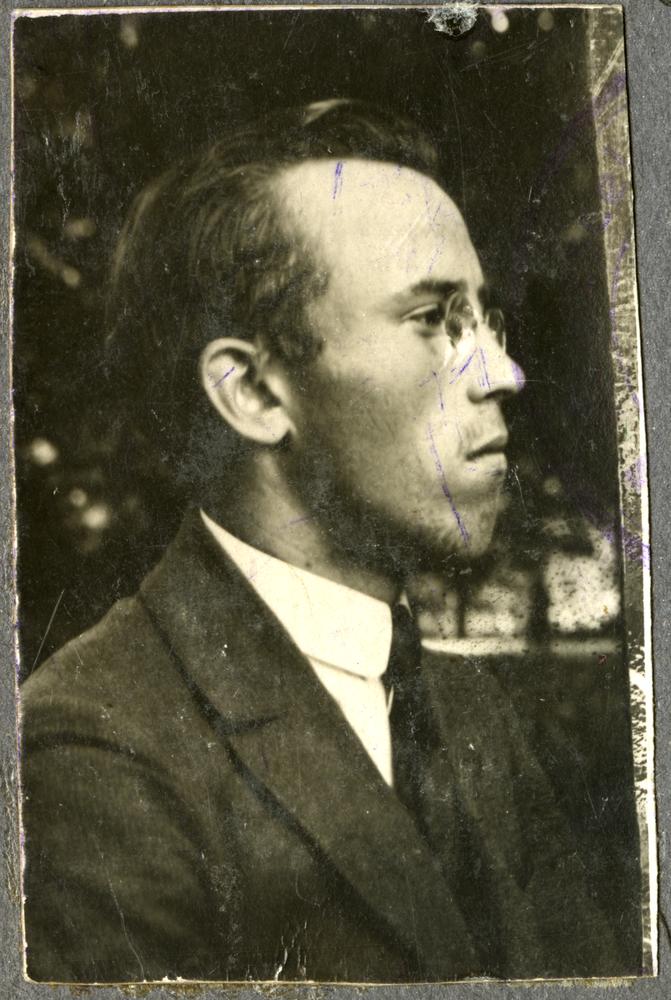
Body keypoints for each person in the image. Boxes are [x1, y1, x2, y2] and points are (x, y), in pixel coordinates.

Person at [20, 100, 638, 983]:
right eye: (433, 320)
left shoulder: (469, 711)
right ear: (253, 393)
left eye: (485, 320)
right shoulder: (92, 753)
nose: (503, 372)